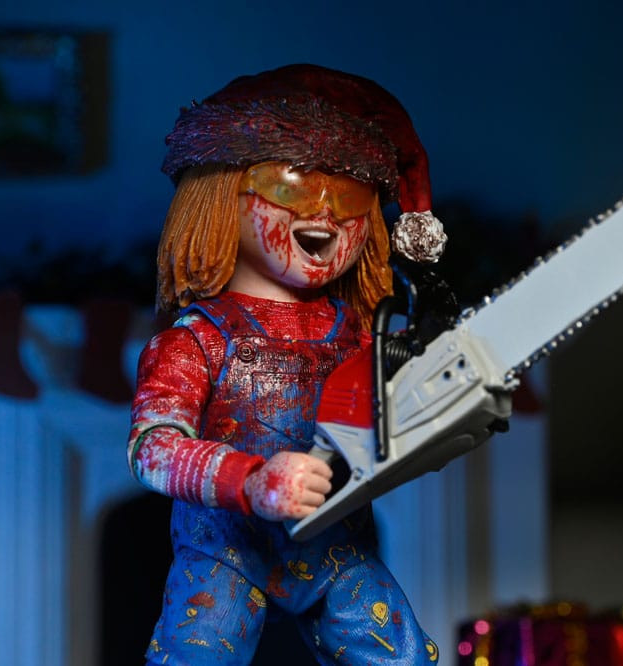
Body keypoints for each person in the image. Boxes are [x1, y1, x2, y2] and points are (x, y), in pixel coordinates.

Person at [128, 64, 447, 665]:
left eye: (349, 195)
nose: (324, 214)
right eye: (291, 187)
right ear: (219, 194)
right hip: (224, 552)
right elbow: (152, 448)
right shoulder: (198, 338)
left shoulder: (360, 335)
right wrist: (248, 480)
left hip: (337, 550)